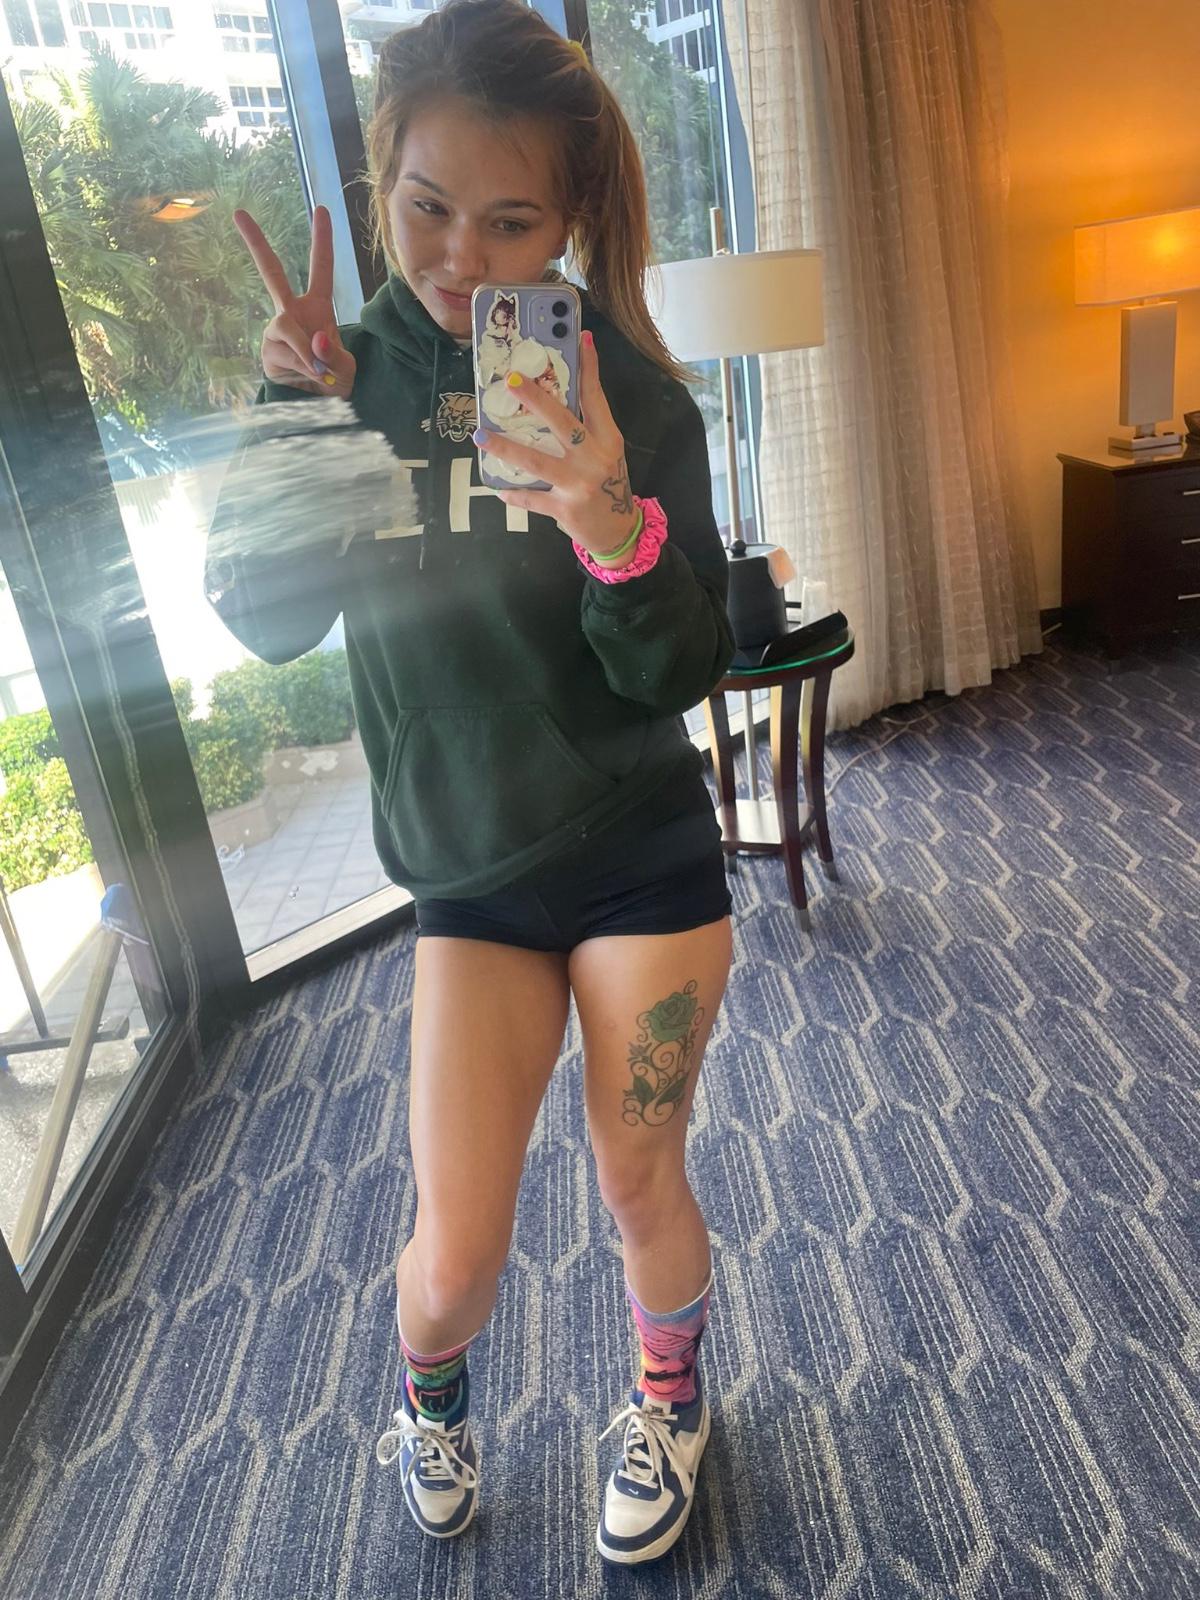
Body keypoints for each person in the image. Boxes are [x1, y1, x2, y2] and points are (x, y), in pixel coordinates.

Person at [207, 0, 735, 1567]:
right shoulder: (344, 378)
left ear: (570, 219)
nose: (460, 256)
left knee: (640, 1175)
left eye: (511, 222)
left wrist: (608, 518)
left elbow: (680, 670)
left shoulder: (630, 395)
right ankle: (429, 1406)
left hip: (641, 847)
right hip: (471, 876)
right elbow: (266, 622)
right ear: (380, 178)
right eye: (428, 205)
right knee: (456, 1257)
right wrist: (295, 414)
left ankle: (671, 1400)